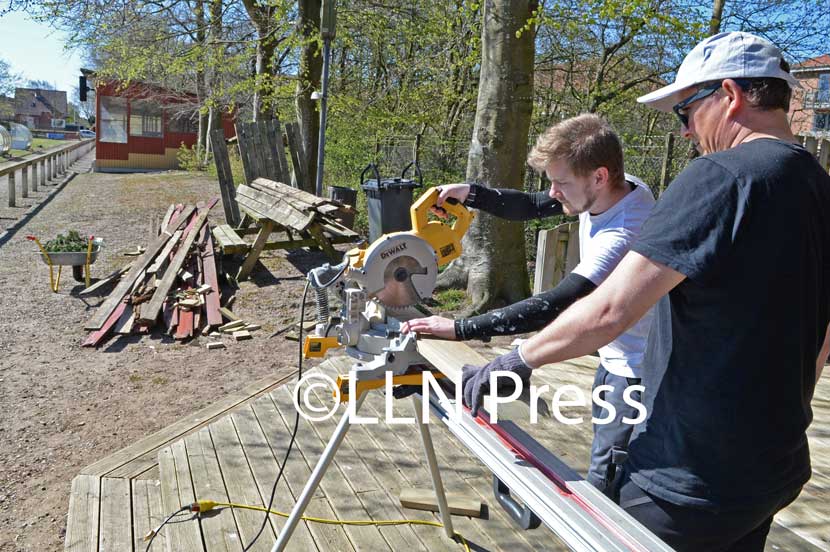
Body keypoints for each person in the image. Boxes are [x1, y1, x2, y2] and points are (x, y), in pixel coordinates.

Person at [459, 31, 830, 550]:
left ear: (730, 95)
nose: (684, 133)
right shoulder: (817, 183)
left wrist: (515, 360)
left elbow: (611, 306)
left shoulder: (719, 176)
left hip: (689, 476)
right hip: (776, 465)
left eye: (685, 112)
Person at [403, 113, 657, 496]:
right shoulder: (621, 187)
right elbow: (533, 205)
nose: (553, 192)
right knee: (606, 459)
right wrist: (472, 193)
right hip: (614, 355)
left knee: (607, 480)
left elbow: (554, 304)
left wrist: (460, 328)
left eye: (561, 183)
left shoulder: (622, 234)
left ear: (600, 176)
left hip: (636, 370)